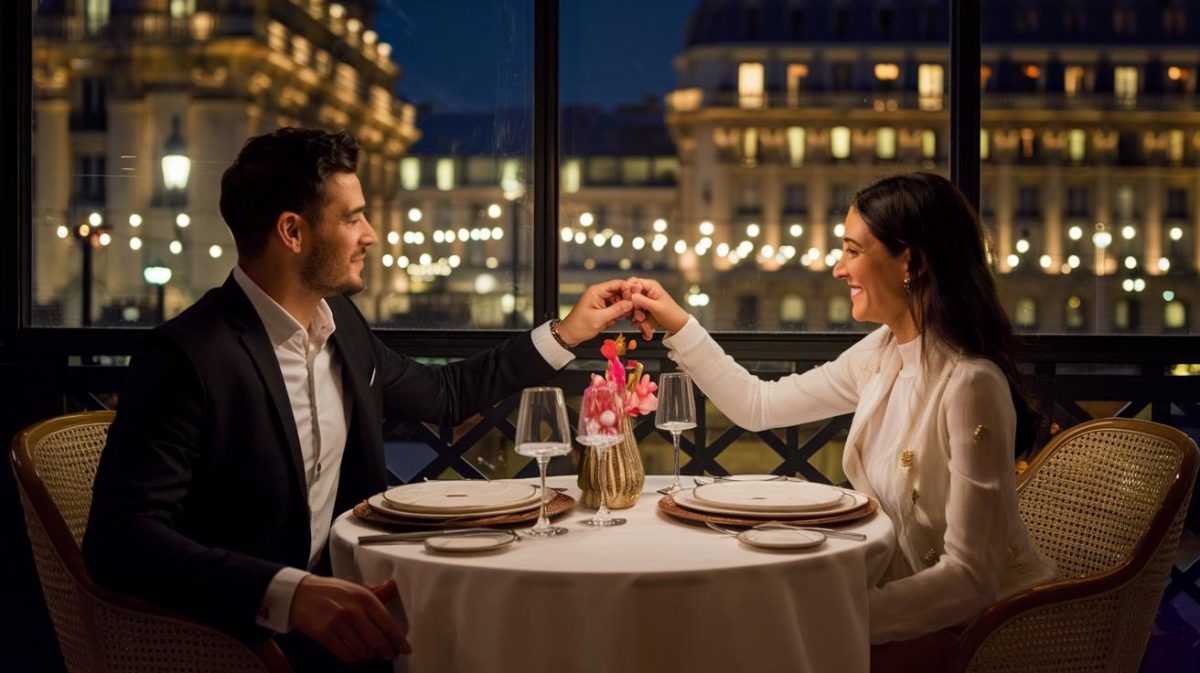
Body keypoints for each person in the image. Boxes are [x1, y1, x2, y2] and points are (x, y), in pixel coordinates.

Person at [83, 128, 633, 672]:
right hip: (241, 642)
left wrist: (566, 333)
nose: (371, 234)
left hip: (354, 610)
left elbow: (444, 395)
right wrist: (289, 594)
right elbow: (122, 540)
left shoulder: (340, 323)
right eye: (351, 218)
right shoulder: (187, 356)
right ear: (292, 232)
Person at [624, 173, 1058, 672]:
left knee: (756, 648)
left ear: (911, 262)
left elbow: (969, 579)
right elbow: (758, 406)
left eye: (853, 250)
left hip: (980, 633)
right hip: (905, 604)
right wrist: (678, 323)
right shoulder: (882, 352)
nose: (837, 268)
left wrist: (831, 615)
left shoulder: (969, 383)